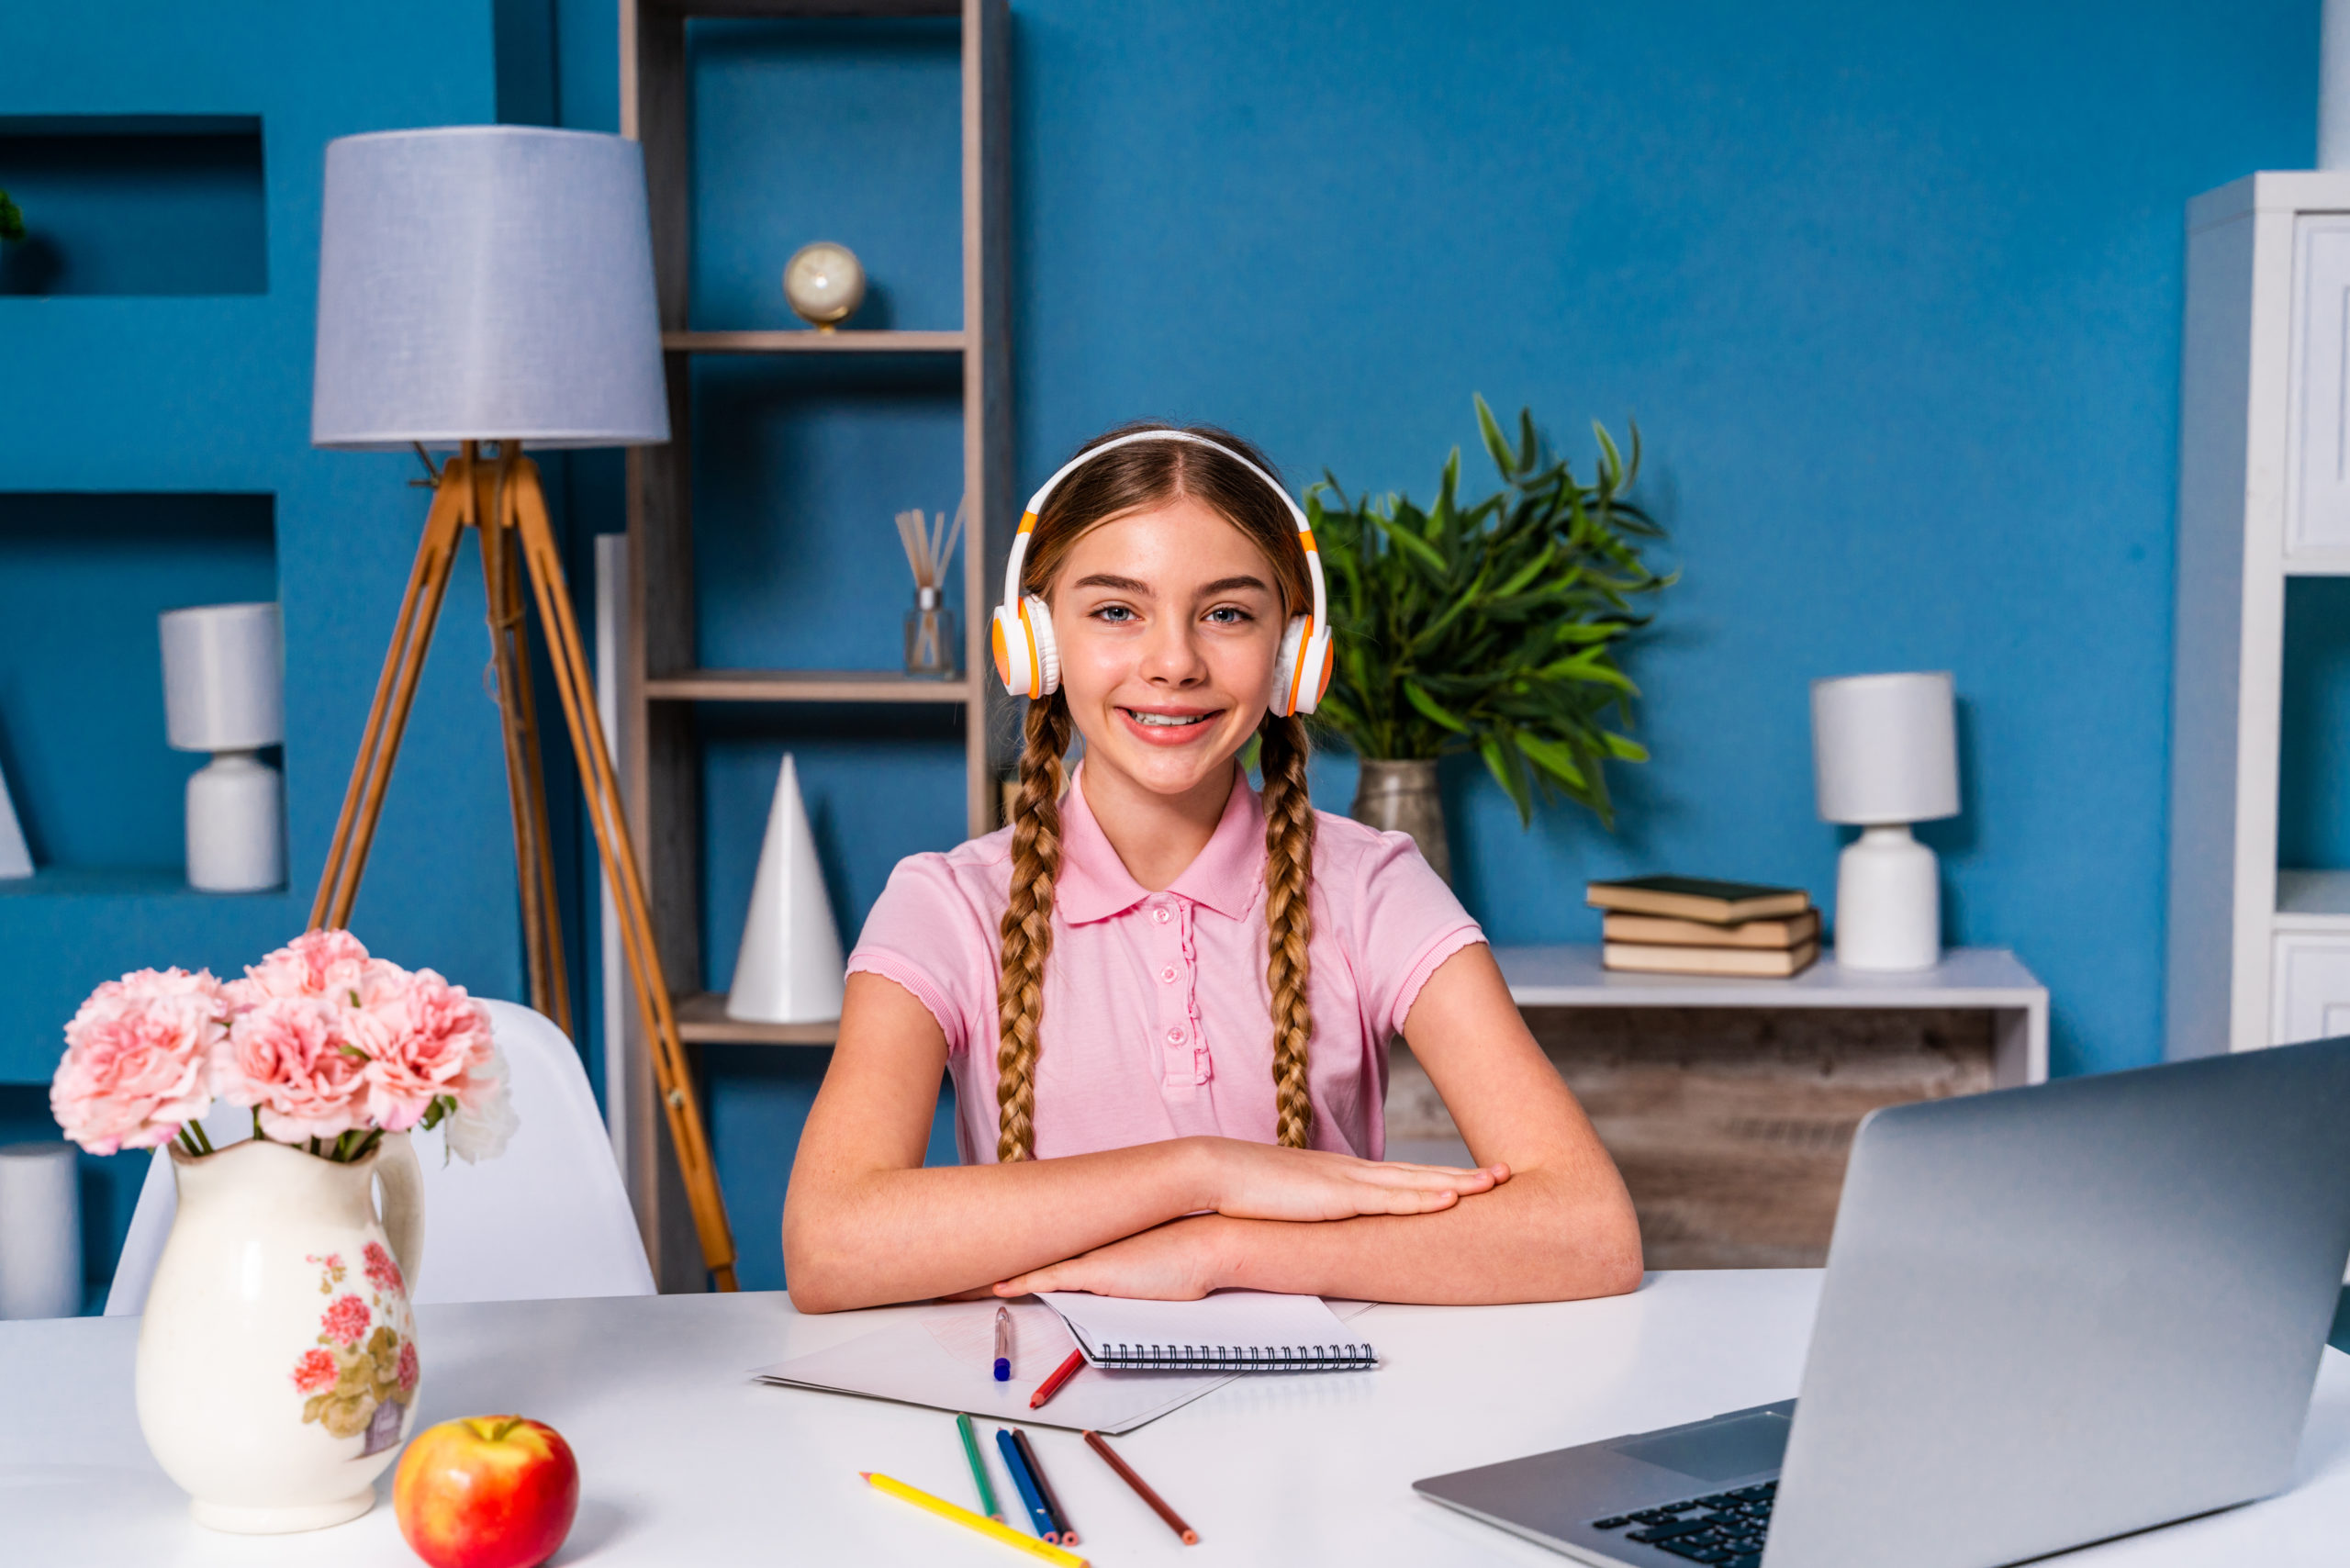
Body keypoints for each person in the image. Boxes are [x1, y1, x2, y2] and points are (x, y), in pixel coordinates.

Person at [782, 423, 1641, 1313]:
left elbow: (1587, 1228)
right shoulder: (945, 905)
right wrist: (1201, 1172)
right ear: (1036, 643)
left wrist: (1219, 1246)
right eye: (1116, 610)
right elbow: (828, 1244)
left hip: (1322, 1420)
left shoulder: (1371, 886)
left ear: (1293, 655)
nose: (1174, 662)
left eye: (1226, 613)